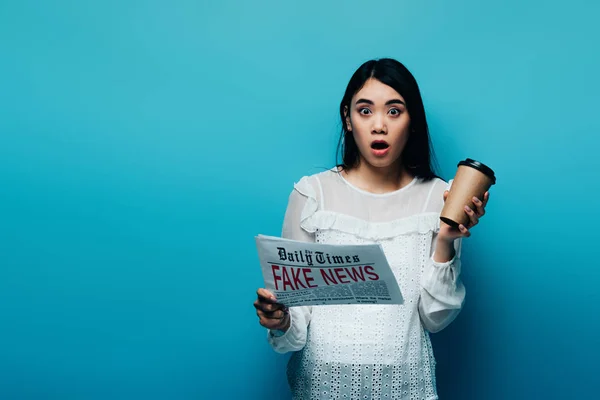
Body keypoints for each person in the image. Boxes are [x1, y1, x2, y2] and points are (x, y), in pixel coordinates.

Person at [253, 58, 490, 399]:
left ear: (413, 122)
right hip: (321, 389)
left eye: (394, 111)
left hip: (407, 389)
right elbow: (295, 331)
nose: (379, 125)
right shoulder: (311, 195)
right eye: (365, 111)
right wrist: (282, 319)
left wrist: (445, 242)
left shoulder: (440, 198)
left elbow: (435, 319)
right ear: (347, 119)